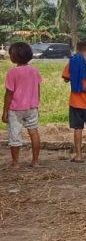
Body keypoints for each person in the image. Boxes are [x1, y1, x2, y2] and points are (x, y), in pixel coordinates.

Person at [3, 41, 42, 169]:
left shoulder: (12, 73)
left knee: (15, 135)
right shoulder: (34, 71)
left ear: (14, 57)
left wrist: (5, 111)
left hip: (15, 109)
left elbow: (9, 93)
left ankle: (15, 163)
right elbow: (37, 88)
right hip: (32, 107)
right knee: (34, 133)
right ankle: (35, 161)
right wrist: (37, 104)